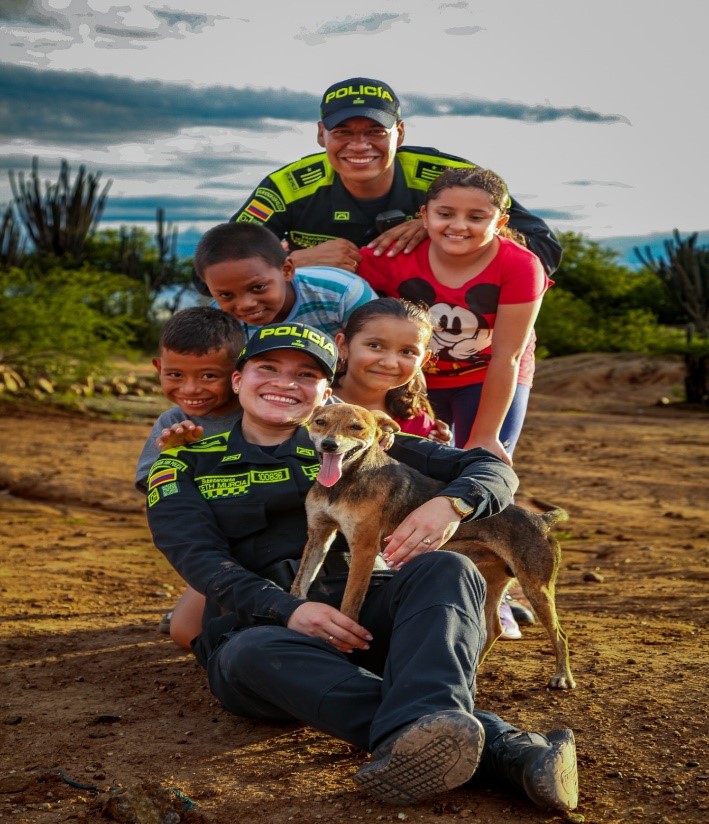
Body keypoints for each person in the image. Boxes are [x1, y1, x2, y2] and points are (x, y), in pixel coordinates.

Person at [144, 321, 578, 812]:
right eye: (268, 368)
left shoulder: (360, 436)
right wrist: (288, 610)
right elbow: (196, 557)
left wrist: (453, 505)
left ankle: (434, 734)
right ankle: (503, 750)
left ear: (325, 392)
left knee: (448, 571)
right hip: (268, 634)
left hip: (371, 621)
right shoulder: (184, 459)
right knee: (250, 654)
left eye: (305, 375)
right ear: (238, 379)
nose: (286, 383)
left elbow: (494, 470)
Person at [356, 167, 553, 640]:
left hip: (489, 374)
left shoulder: (520, 265)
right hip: (418, 376)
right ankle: (409, 581)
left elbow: (506, 353)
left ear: (500, 219)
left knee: (480, 477)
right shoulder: (390, 257)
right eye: (445, 213)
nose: (458, 225)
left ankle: (493, 596)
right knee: (409, 475)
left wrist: (484, 437)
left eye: (475, 216)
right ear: (424, 214)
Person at [219, 76, 561, 281]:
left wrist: (439, 230)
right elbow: (210, 273)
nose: (359, 145)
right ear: (321, 134)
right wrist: (289, 263)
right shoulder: (286, 186)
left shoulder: (450, 178)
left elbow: (544, 250)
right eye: (343, 132)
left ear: (399, 132)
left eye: (374, 131)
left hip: (433, 323)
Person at [135, 306, 245, 646]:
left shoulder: (256, 412)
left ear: (238, 372)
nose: (191, 389)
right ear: (158, 368)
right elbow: (156, 489)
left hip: (270, 537)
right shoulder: (172, 422)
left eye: (209, 376)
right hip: (215, 550)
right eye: (174, 375)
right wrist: (176, 454)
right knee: (187, 633)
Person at [193, 222, 377, 338]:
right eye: (225, 295)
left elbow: (384, 350)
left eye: (258, 287)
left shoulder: (342, 292)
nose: (245, 304)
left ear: (287, 270)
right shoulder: (221, 323)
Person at [332, 296, 449, 441]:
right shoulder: (310, 400)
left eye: (407, 352)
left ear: (423, 360)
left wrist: (438, 453)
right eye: (375, 346)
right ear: (343, 345)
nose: (389, 363)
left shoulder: (418, 425)